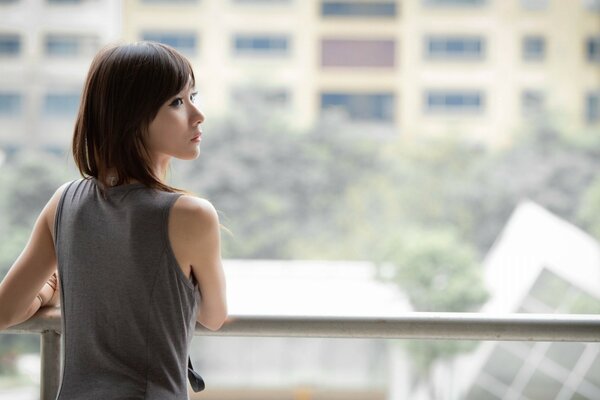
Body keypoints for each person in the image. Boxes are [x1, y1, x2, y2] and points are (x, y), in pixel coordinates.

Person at [0, 41, 228, 399]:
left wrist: (53, 288)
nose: (197, 115)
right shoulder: (191, 215)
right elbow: (213, 316)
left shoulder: (64, 202)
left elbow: (7, 309)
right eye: (177, 102)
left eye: (192, 96)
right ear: (131, 115)